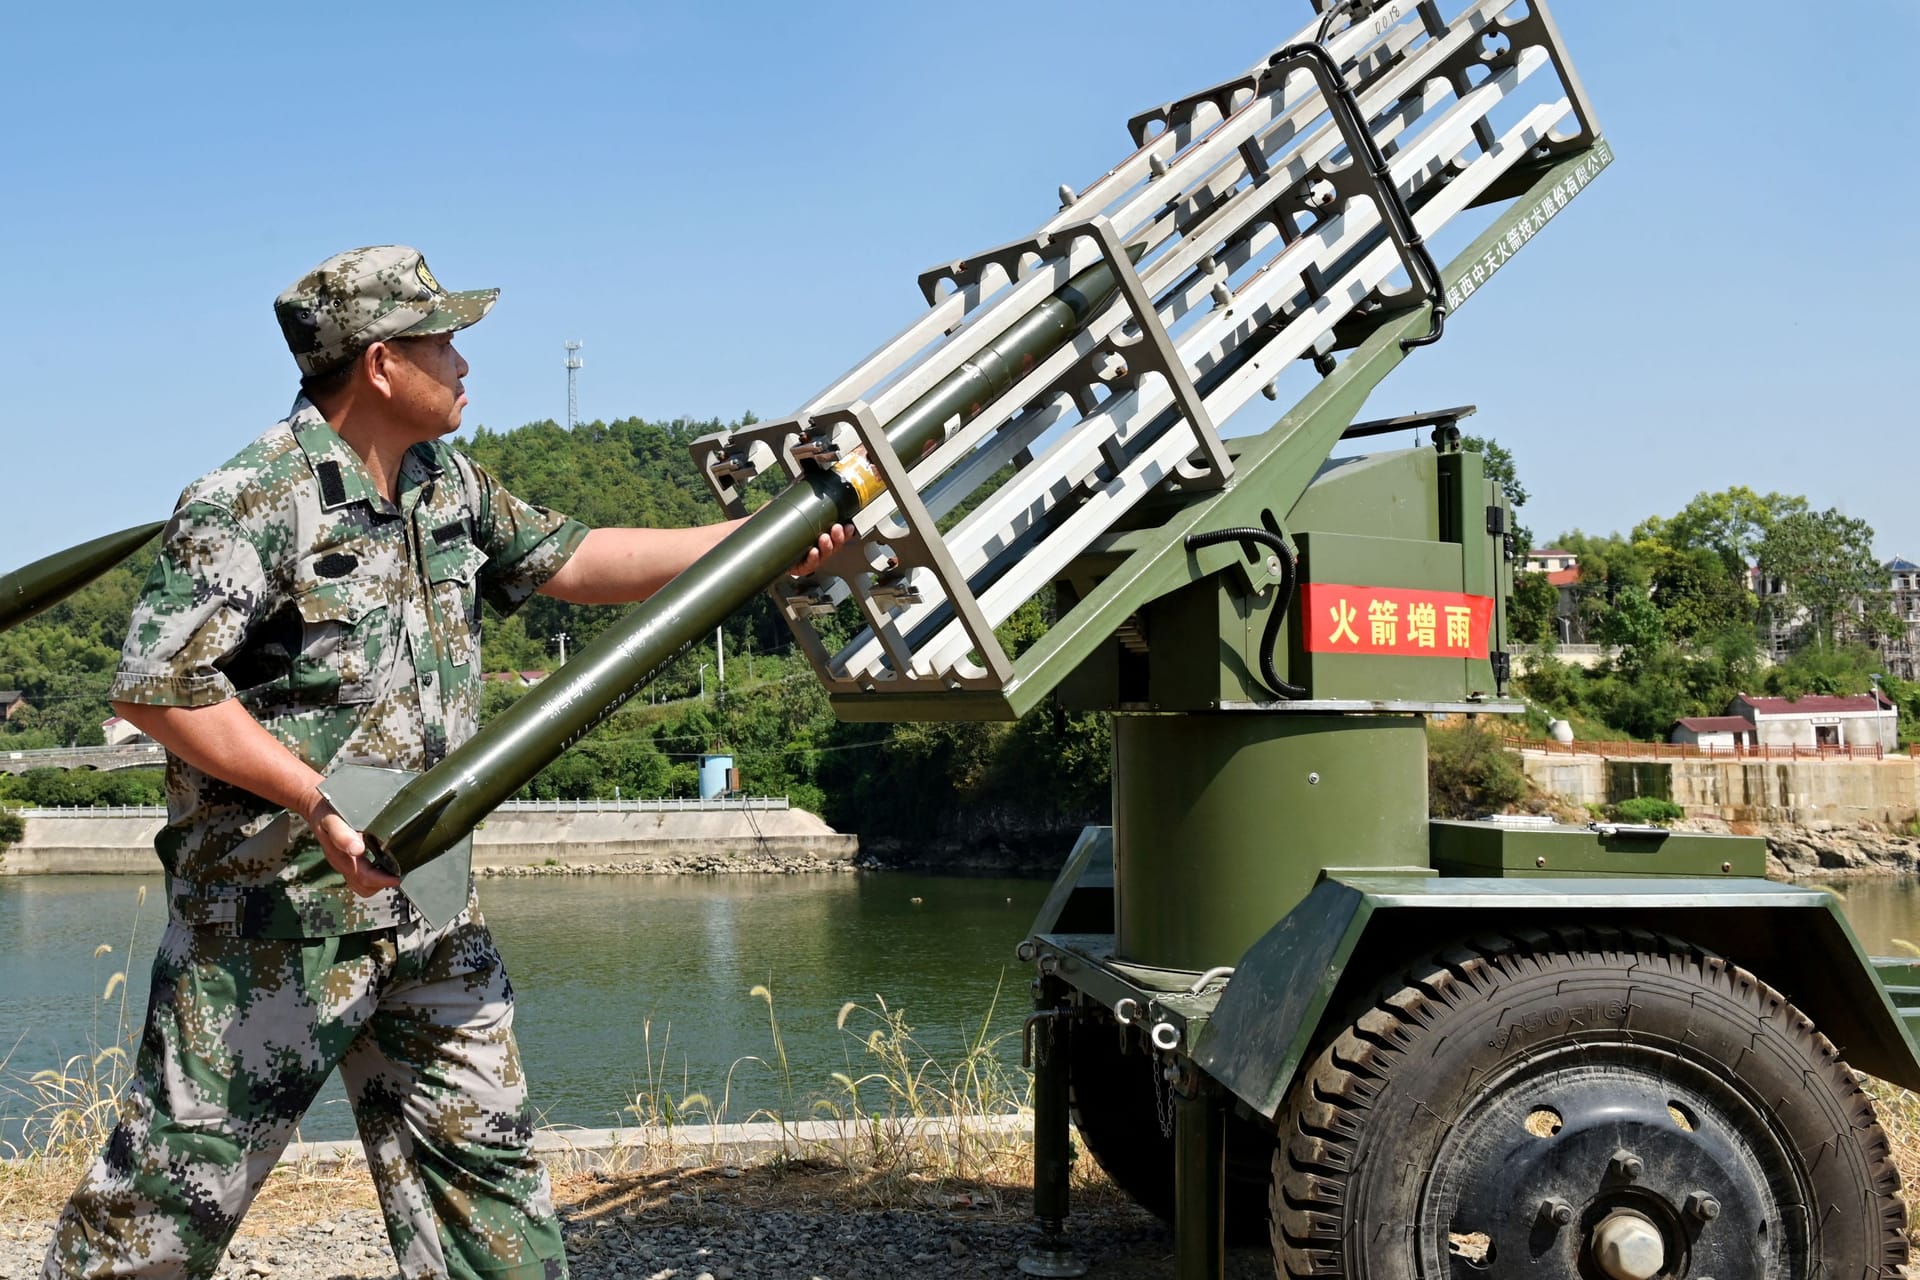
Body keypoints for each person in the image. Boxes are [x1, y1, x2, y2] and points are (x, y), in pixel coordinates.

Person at [43, 245, 843, 1280]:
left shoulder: (444, 482)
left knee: (492, 1202)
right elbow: (159, 688)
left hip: (430, 910)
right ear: (381, 363)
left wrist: (757, 538)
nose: (464, 361)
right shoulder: (248, 497)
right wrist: (316, 799)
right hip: (275, 930)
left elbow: (579, 558)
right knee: (157, 1218)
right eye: (444, 339)